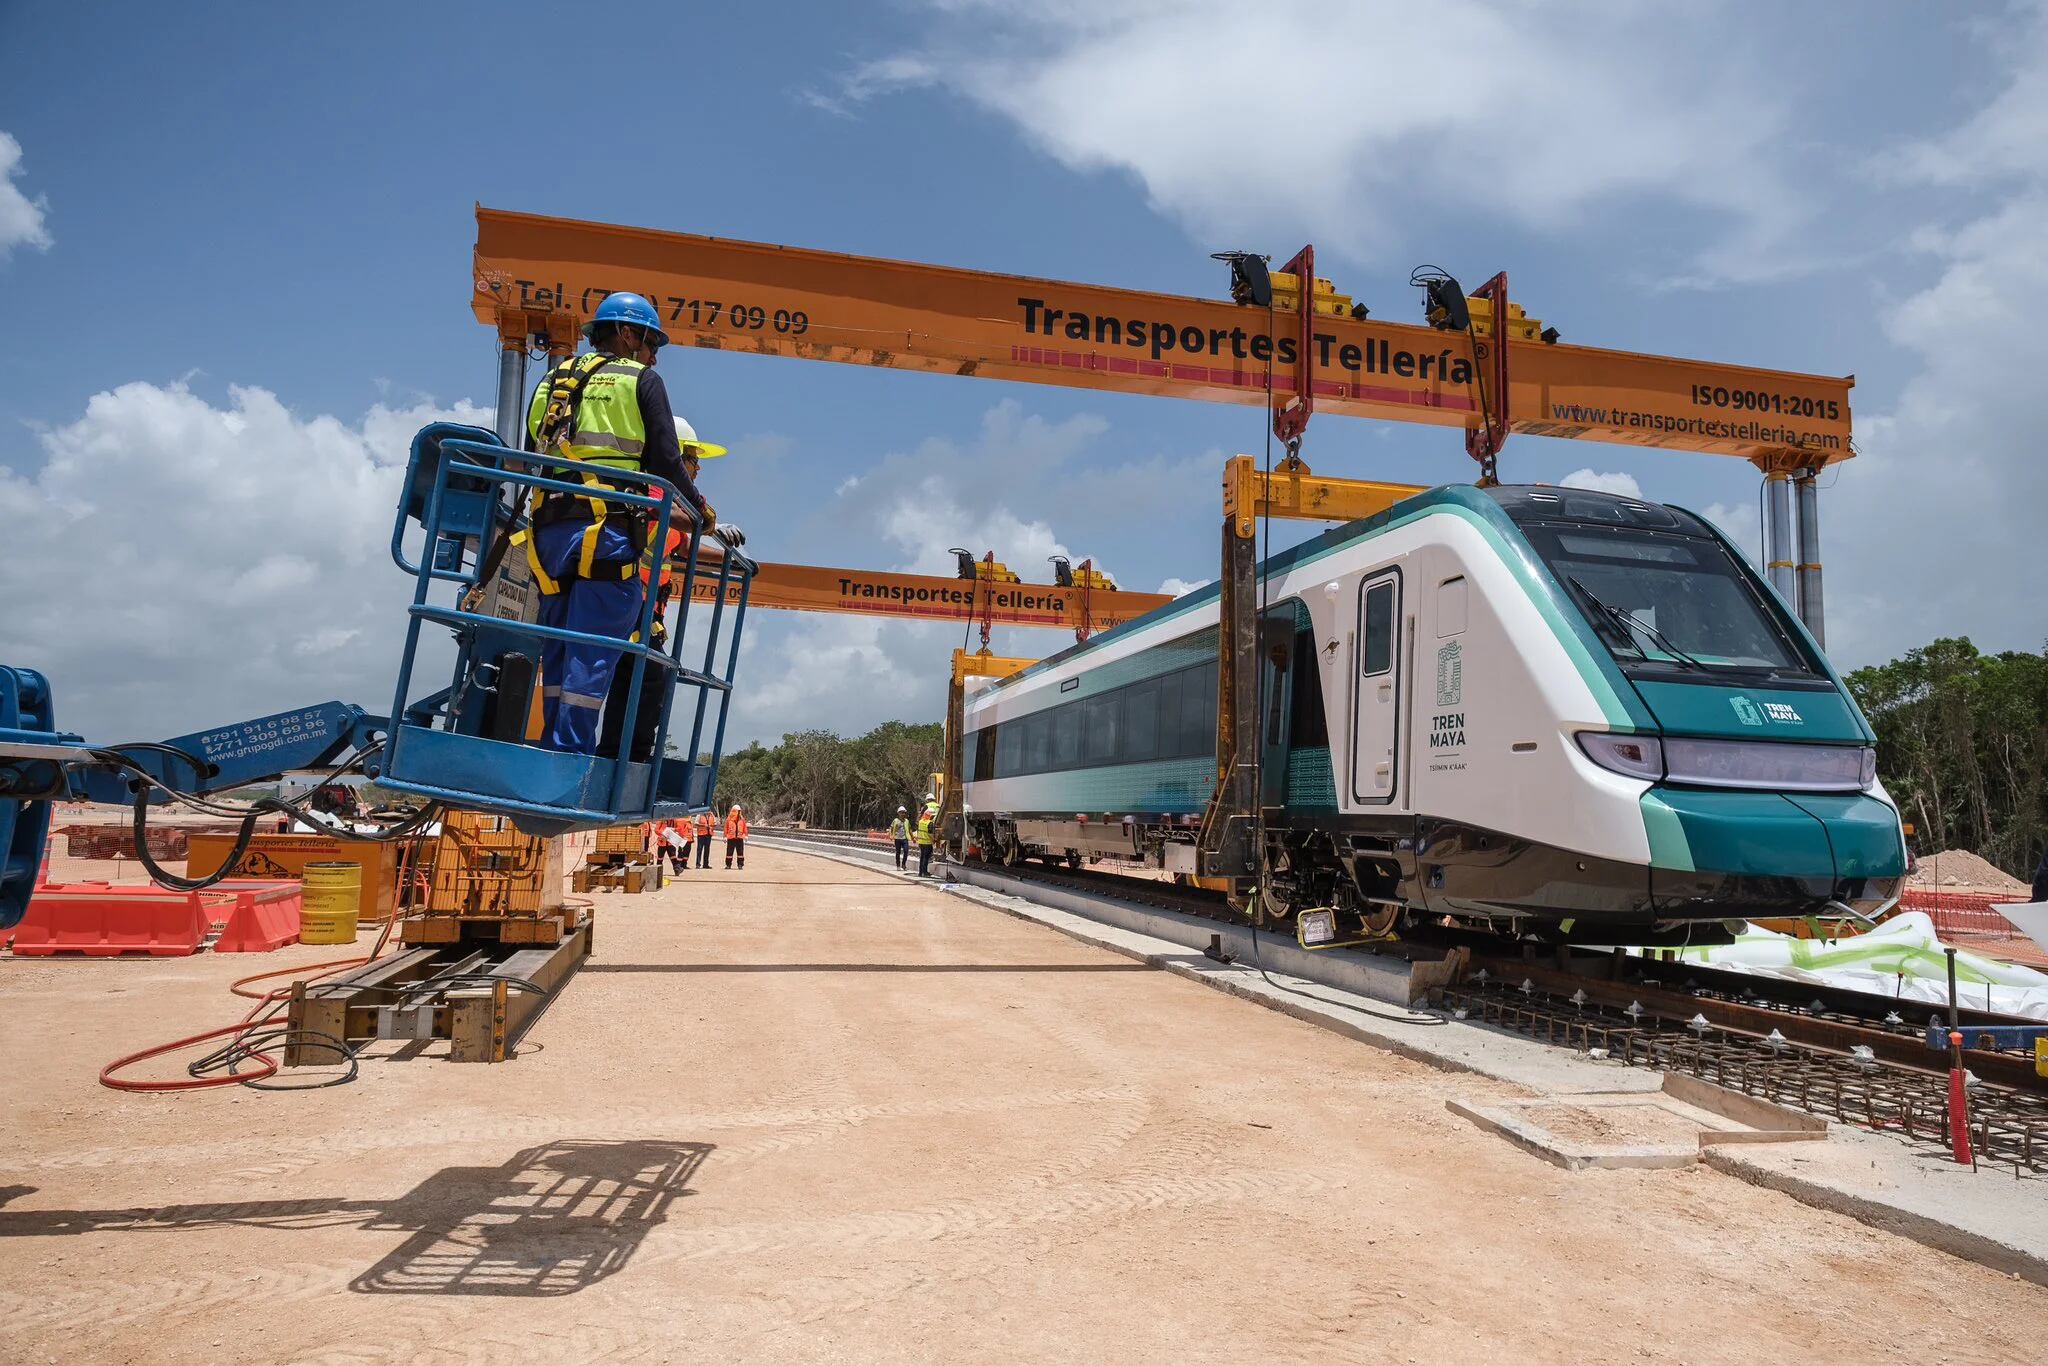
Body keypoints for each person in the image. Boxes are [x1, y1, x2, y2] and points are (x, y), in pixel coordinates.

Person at [518, 291, 730, 755]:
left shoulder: (552, 380)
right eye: (652, 344)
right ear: (629, 334)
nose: (654, 355)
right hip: (605, 533)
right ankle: (569, 758)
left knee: (558, 640)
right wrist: (700, 512)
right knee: (593, 649)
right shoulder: (641, 379)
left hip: (549, 530)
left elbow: (532, 447)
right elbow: (666, 463)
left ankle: (551, 744)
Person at [599, 417, 736, 762]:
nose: (697, 469)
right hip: (627, 600)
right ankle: (623, 756)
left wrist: (727, 558)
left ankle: (629, 755)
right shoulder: (654, 492)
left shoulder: (673, 500)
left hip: (646, 609)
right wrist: (707, 522)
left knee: (647, 681)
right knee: (642, 679)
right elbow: (678, 521)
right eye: (692, 459)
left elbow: (684, 547)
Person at [724, 803, 749, 870]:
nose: (738, 812)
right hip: (731, 838)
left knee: (740, 852)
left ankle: (740, 864)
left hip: (739, 838)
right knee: (729, 852)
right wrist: (725, 836)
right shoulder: (729, 819)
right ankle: (728, 865)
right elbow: (726, 828)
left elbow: (745, 828)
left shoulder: (742, 819)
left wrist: (746, 835)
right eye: (738, 811)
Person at [914, 803, 936, 877]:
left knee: (922, 857)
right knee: (926, 858)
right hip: (927, 842)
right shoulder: (930, 823)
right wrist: (934, 840)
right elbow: (930, 834)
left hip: (921, 842)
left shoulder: (921, 821)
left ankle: (920, 872)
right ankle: (925, 872)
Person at [889, 805, 912, 871]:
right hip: (897, 838)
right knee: (898, 852)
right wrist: (891, 835)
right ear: (898, 813)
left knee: (906, 851)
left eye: (904, 812)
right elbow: (891, 828)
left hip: (905, 838)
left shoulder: (907, 821)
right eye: (901, 812)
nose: (903, 814)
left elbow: (910, 829)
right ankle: (898, 865)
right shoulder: (895, 820)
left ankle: (903, 864)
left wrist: (912, 837)